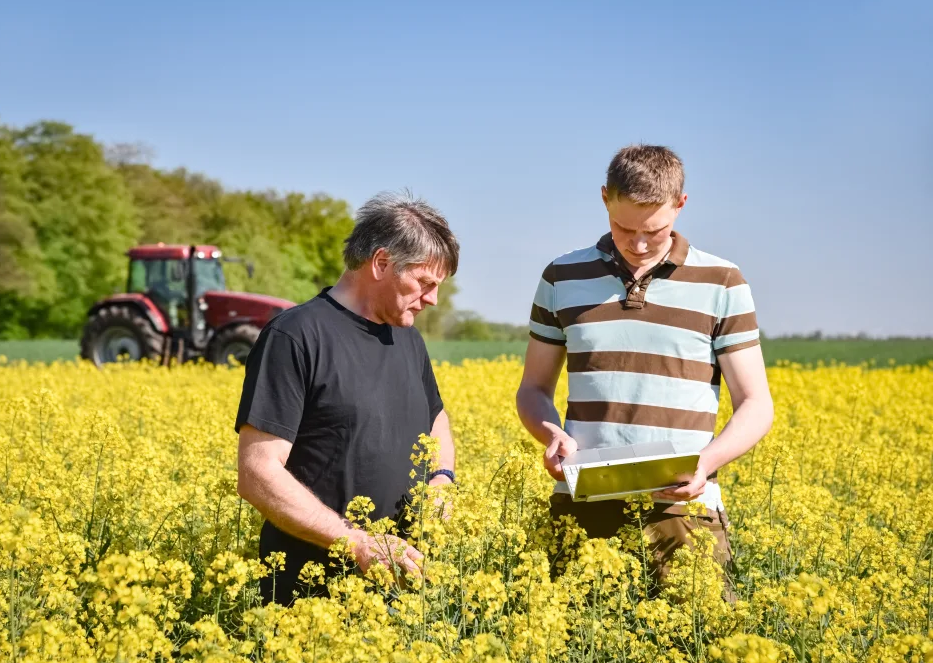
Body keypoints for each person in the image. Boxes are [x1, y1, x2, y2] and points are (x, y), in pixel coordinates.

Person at [516, 144, 774, 588]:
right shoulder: (561, 277)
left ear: (681, 205)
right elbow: (533, 389)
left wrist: (705, 464)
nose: (637, 244)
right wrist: (551, 433)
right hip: (583, 502)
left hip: (682, 509)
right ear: (604, 198)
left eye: (653, 231)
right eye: (622, 226)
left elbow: (756, 404)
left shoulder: (722, 281)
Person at [235, 191, 459, 605]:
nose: (432, 299)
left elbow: (436, 419)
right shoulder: (296, 337)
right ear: (381, 263)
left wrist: (441, 479)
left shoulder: (407, 337)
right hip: (311, 599)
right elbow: (257, 474)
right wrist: (354, 543)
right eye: (425, 283)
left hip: (401, 591)